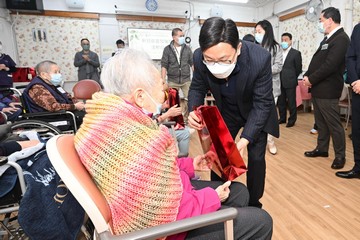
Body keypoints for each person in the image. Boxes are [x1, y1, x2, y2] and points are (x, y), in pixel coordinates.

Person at [74, 48, 273, 239]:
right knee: (261, 220)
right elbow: (169, 212)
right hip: (171, 230)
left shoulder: (107, 122)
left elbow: (157, 173)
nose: (166, 95)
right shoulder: (141, 142)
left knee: (239, 191)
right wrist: (213, 198)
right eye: (162, 87)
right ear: (140, 96)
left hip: (172, 199)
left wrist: (191, 165)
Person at [188, 17, 279, 208]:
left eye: (223, 60)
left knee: (255, 158)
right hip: (227, 110)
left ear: (237, 48)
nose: (217, 65)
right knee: (220, 155)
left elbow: (262, 103)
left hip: (255, 110)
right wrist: (193, 111)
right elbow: (197, 87)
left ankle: (254, 202)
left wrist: (244, 141)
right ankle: (219, 196)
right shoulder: (198, 56)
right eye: (210, 60)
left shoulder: (259, 58)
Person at [303, 7, 349, 169]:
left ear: (330, 20)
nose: (320, 24)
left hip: (328, 89)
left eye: (321, 20)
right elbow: (318, 61)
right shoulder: (328, 38)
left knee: (333, 124)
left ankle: (340, 156)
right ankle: (322, 149)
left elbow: (330, 65)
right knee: (321, 122)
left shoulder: (341, 39)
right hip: (319, 88)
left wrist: (311, 79)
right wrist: (307, 76)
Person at [22, 60, 85, 126]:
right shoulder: (37, 88)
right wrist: (74, 106)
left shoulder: (54, 85)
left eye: (59, 72)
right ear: (43, 75)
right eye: (55, 72)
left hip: (62, 114)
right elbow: (53, 107)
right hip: (49, 118)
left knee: (90, 115)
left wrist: (80, 104)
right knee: (86, 120)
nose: (59, 74)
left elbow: (68, 97)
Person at [336, 23, 360, 178]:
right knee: (357, 131)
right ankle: (358, 167)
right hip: (357, 87)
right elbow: (350, 57)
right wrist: (355, 80)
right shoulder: (358, 29)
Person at [255, 20, 283, 155]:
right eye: (255, 32)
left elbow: (278, 66)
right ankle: (257, 138)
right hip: (256, 86)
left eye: (259, 32)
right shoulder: (255, 46)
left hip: (272, 86)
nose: (256, 34)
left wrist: (262, 70)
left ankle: (270, 141)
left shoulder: (276, 47)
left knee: (269, 115)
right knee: (257, 114)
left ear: (267, 31)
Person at [161, 28, 193, 122]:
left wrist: (196, 76)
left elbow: (192, 63)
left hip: (186, 79)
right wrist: (162, 79)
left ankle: (187, 119)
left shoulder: (187, 49)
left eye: (183, 36)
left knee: (190, 99)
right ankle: (174, 120)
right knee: (172, 102)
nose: (183, 38)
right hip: (172, 80)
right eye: (180, 36)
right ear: (174, 37)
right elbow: (164, 65)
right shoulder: (167, 49)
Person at [278, 32, 303, 128]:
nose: (284, 42)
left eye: (286, 40)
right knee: (281, 102)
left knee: (291, 102)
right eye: (282, 40)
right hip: (280, 80)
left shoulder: (296, 53)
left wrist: (292, 76)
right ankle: (282, 118)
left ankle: (292, 120)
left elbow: (298, 68)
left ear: (291, 41)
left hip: (290, 81)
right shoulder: (279, 52)